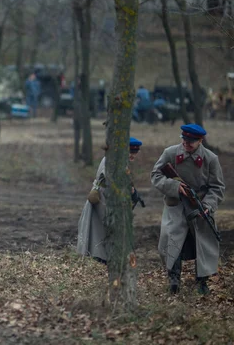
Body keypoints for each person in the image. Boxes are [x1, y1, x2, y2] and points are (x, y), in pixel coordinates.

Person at [151, 124, 225, 295]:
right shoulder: (170, 153)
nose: (186, 143)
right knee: (170, 240)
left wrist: (208, 205)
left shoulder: (211, 158)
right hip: (175, 204)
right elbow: (156, 174)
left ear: (200, 141)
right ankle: (174, 280)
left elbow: (217, 187)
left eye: (191, 141)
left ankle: (202, 282)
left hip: (199, 206)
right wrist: (174, 186)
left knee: (204, 244)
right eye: (184, 139)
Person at [77, 138, 143, 264]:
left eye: (135, 153)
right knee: (105, 234)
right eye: (131, 152)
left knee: (102, 235)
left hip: (105, 200)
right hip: (105, 201)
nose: (133, 155)